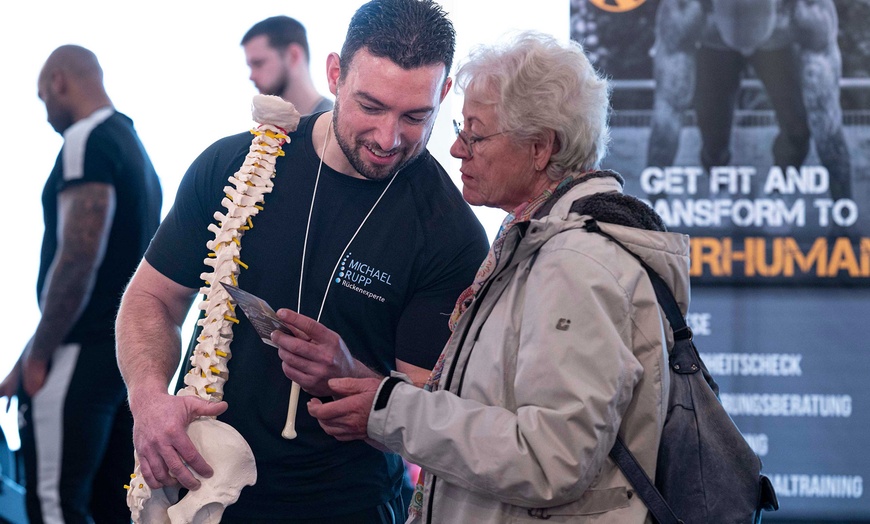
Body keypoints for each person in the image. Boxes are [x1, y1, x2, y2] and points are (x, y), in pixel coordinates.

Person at [285, 31, 692, 523]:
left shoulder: (575, 265)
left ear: (541, 148)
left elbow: (553, 458)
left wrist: (387, 408)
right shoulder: (546, 245)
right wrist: (369, 390)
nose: (456, 149)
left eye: (475, 134)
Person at [116, 0, 489, 522]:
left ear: (444, 94)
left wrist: (351, 375)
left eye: (415, 116)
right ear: (335, 74)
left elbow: (432, 415)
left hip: (341, 505)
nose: (388, 138)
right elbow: (153, 298)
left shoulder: (451, 233)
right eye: (371, 106)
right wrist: (149, 398)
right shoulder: (234, 163)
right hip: (196, 493)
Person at [0, 45, 162, 523]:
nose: (46, 113)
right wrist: (24, 358)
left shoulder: (84, 139)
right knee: (110, 505)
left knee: (53, 504)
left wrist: (41, 356)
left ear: (58, 83)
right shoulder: (133, 148)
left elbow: (76, 261)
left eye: (41, 98)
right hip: (117, 363)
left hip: (75, 357)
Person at [647, 0, 852, 201]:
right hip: (715, 45)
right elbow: (668, 112)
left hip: (779, 44)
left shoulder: (808, 10)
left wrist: (844, 211)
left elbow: (825, 116)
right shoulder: (685, 10)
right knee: (712, 131)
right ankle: (718, 171)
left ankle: (780, 184)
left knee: (798, 127)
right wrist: (650, 215)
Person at [242, 15, 334, 115]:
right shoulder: (271, 128)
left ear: (293, 55)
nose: (251, 76)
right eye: (250, 66)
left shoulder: (334, 127)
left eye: (258, 63)